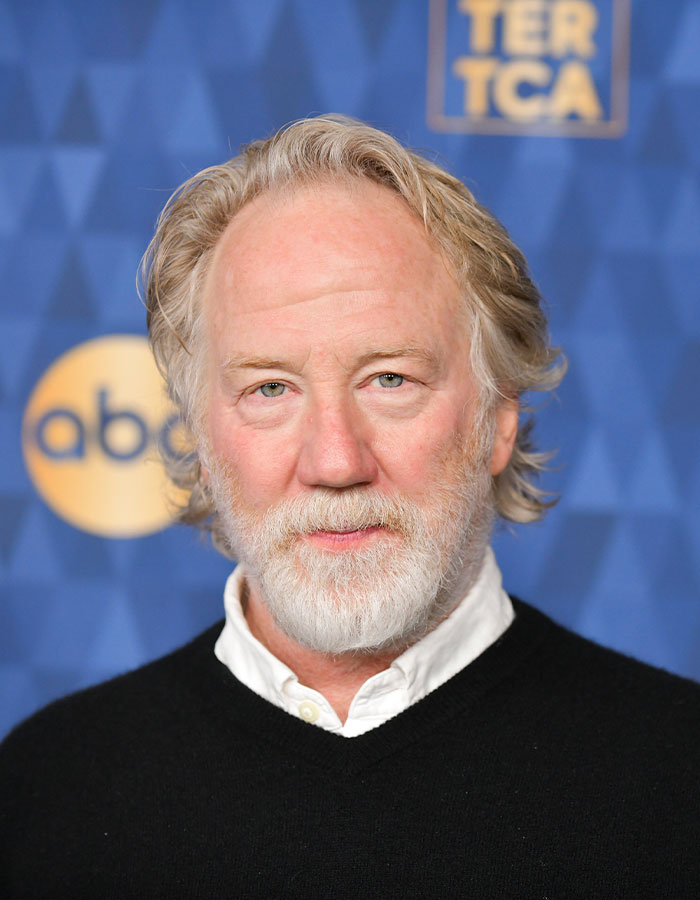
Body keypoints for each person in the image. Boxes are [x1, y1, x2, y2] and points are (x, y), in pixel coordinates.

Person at [1, 115, 699, 899]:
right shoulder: (43, 789)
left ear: (498, 417)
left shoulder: (681, 780)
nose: (335, 460)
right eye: (270, 388)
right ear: (199, 433)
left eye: (390, 380)